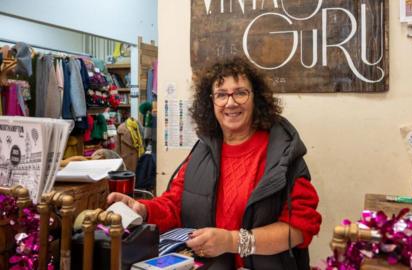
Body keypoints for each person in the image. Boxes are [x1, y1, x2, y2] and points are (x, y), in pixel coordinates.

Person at [108, 57, 321, 270]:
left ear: (256, 98)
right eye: (221, 95)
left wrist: (232, 241)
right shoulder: (202, 151)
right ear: (210, 102)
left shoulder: (283, 154)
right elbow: (174, 204)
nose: (230, 102)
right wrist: (142, 209)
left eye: (240, 93)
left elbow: (299, 228)